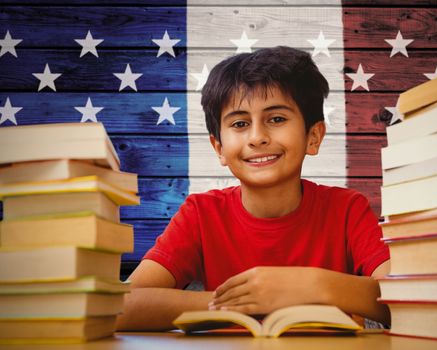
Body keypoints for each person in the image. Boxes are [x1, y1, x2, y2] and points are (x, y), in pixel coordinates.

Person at [116, 46, 390, 331]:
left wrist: (313, 286)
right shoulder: (201, 214)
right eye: (240, 123)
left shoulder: (347, 210)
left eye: (276, 119)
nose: (257, 137)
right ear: (219, 148)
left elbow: (408, 302)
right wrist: (245, 302)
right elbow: (122, 307)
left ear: (313, 136)